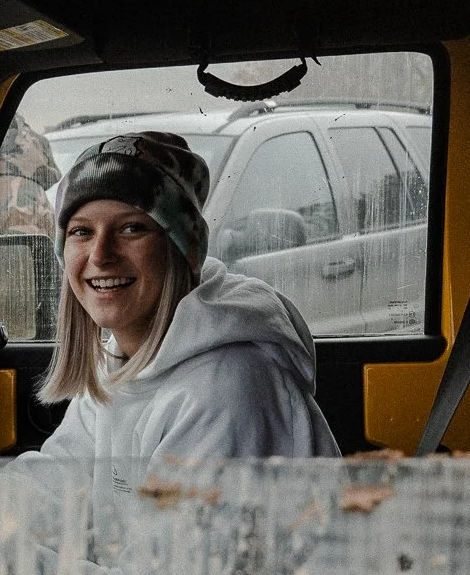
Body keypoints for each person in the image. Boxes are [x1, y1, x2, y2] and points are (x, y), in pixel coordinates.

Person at [32, 129, 339, 503]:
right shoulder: (121, 359)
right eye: (81, 231)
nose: (99, 255)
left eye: (132, 228)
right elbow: (55, 480)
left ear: (182, 249)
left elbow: (169, 562)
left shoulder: (225, 389)